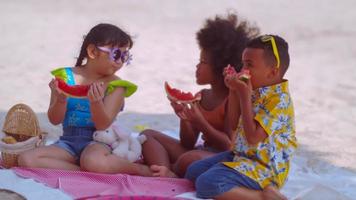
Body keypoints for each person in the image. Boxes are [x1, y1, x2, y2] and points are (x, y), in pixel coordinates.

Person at [18, 23, 152, 176]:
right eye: (116, 54)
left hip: (99, 143)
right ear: (93, 52)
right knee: (26, 159)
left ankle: (139, 170)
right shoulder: (65, 77)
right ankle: (84, 170)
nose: (120, 61)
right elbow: (54, 120)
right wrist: (60, 101)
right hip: (68, 143)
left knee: (94, 160)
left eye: (125, 56)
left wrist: (96, 103)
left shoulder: (117, 86)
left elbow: (103, 124)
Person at [141, 13, 259, 178]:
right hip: (202, 153)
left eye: (203, 62)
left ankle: (170, 171)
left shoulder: (232, 99)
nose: (197, 66)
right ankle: (165, 171)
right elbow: (187, 142)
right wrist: (185, 118)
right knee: (147, 135)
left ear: (220, 68)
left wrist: (200, 122)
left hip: (226, 158)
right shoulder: (201, 96)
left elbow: (227, 145)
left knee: (189, 159)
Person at [185, 35, 296, 200]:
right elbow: (233, 123)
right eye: (243, 63)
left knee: (206, 184)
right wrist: (233, 90)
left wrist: (244, 94)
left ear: (272, 72)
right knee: (193, 172)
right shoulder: (257, 87)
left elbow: (252, 138)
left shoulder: (279, 101)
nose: (244, 69)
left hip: (265, 169)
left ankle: (263, 196)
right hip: (242, 156)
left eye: (249, 65)